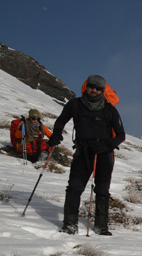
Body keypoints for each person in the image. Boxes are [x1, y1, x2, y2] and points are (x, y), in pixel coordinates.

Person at [47, 74, 125, 235]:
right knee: (74, 187)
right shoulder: (75, 105)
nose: (94, 90)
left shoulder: (109, 110)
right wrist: (56, 133)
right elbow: (61, 121)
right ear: (86, 86)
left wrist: (107, 146)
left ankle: (101, 226)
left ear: (103, 91)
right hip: (82, 150)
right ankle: (70, 224)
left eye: (98, 88)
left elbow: (121, 135)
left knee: (102, 190)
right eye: (91, 87)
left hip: (104, 154)